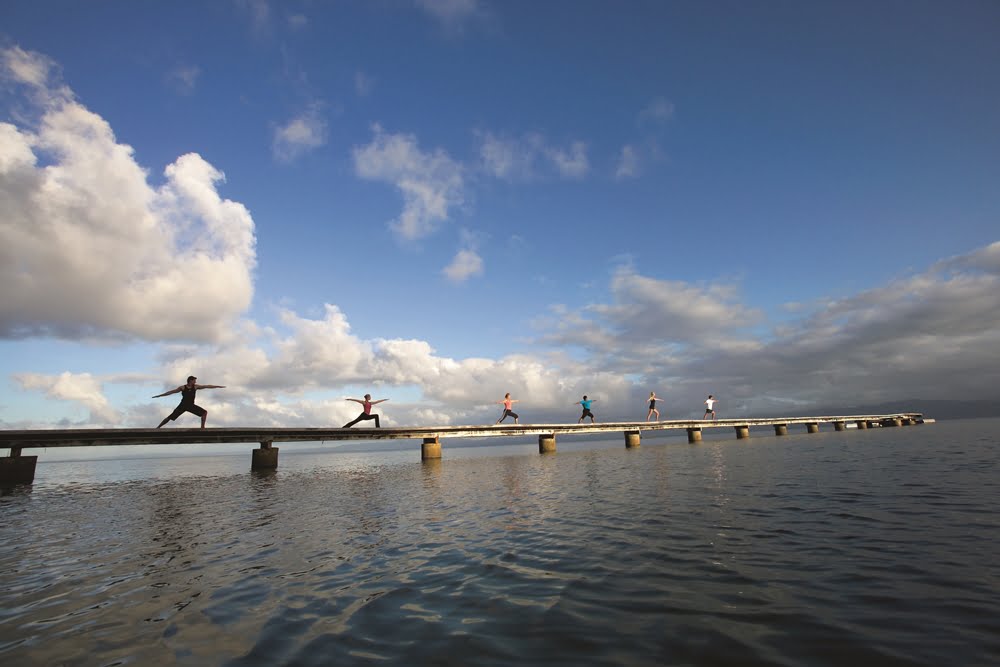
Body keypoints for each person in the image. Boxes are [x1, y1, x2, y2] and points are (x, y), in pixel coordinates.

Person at [154, 376, 225, 428]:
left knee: (204, 413)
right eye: (194, 380)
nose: (195, 382)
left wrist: (217, 386)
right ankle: (158, 428)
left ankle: (202, 428)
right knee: (170, 417)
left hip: (191, 406)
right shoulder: (182, 387)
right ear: (190, 380)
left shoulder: (195, 387)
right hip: (182, 405)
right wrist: (160, 395)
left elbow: (206, 386)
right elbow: (171, 392)